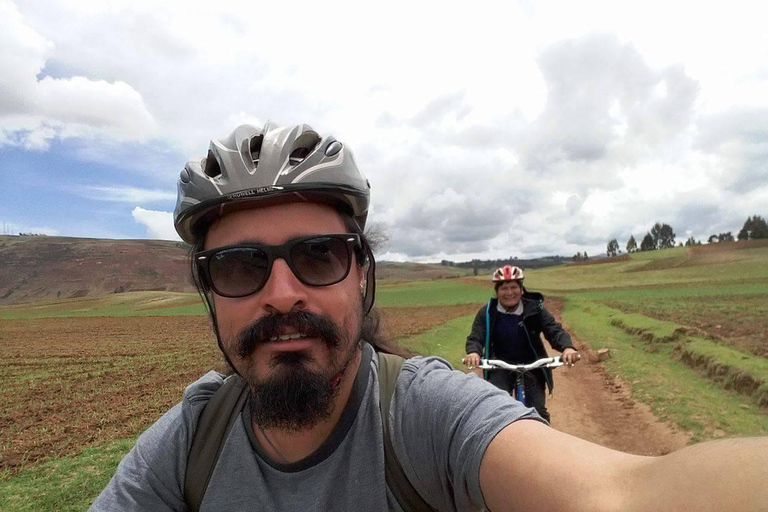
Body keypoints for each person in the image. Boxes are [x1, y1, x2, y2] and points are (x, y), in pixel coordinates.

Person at [91, 121, 767, 512]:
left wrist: (561, 347)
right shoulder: (189, 443)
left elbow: (624, 495)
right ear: (209, 291)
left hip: (524, 376)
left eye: (319, 256)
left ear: (362, 274)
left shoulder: (422, 417)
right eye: (241, 266)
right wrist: (477, 353)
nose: (284, 294)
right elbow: (477, 337)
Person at [464, 265, 579, 422]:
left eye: (513, 287)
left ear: (521, 289)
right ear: (497, 291)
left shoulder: (534, 309)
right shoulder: (488, 312)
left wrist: (567, 347)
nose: (509, 293)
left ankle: (542, 443)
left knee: (537, 412)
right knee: (496, 411)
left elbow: (553, 329)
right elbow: (476, 336)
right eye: (504, 288)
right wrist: (474, 352)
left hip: (533, 365)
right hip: (500, 366)